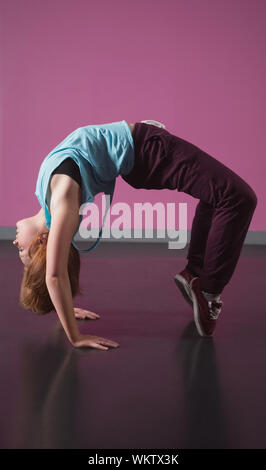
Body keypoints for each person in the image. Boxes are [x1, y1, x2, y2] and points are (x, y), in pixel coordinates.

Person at [13, 120, 257, 347]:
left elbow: (55, 271)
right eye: (22, 250)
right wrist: (75, 336)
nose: (15, 242)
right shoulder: (62, 201)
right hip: (148, 151)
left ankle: (196, 273)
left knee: (215, 195)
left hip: (145, 148)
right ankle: (208, 291)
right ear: (41, 240)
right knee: (238, 197)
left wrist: (64, 307)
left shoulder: (47, 198)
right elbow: (54, 275)